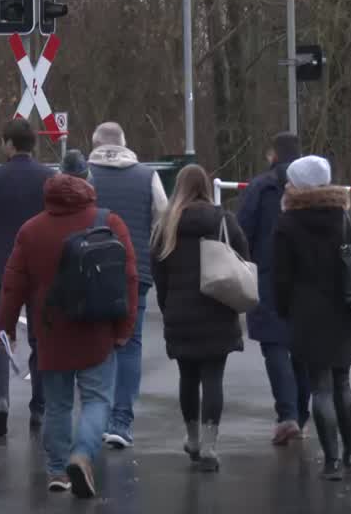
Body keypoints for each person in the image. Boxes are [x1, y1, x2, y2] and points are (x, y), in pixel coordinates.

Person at [0, 151, 139, 498]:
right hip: (97, 329)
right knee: (97, 399)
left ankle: (57, 470)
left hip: (51, 331)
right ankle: (82, 454)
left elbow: (12, 285)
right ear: (88, 184)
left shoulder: (31, 230)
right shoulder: (109, 222)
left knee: (57, 404)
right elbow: (129, 278)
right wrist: (125, 328)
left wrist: (5, 328)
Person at [273, 155, 351, 481]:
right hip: (344, 309)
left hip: (307, 312)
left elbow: (281, 277)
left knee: (320, 387)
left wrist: (284, 311)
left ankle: (332, 461)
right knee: (343, 382)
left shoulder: (287, 224)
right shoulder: (346, 218)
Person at [151, 164, 249, 472]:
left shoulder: (166, 225)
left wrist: (168, 308)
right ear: (206, 186)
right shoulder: (223, 221)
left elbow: (159, 275)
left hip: (180, 313)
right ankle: (209, 444)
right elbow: (244, 258)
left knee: (188, 378)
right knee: (213, 378)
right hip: (218, 309)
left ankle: (192, 438)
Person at [85, 122, 169, 449]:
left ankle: (97, 416)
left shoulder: (86, 175)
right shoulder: (148, 176)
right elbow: (163, 218)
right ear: (124, 143)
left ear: (95, 144)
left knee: (96, 342)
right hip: (137, 271)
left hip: (90, 270)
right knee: (131, 344)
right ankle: (122, 421)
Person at [0, 117, 54, 436]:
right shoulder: (48, 178)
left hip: (1, 267)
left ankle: (2, 400)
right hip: (40, 268)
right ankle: (39, 406)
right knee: (40, 336)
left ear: (8, 144)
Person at [236, 132, 310, 445]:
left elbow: (243, 230)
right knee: (303, 348)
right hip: (308, 278)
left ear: (273, 155)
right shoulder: (312, 186)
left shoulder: (260, 187)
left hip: (268, 276)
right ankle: (301, 415)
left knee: (275, 346)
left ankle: (287, 414)